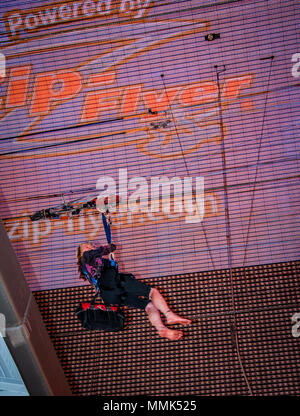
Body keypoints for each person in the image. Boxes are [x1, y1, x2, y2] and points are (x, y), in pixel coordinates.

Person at [76, 242, 192, 340]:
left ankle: (161, 329)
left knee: (149, 306)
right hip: (115, 283)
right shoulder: (86, 257)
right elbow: (98, 252)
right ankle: (169, 315)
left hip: (109, 295)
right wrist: (107, 248)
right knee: (152, 292)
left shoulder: (90, 267)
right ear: (81, 254)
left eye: (90, 245)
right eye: (86, 247)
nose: (90, 247)